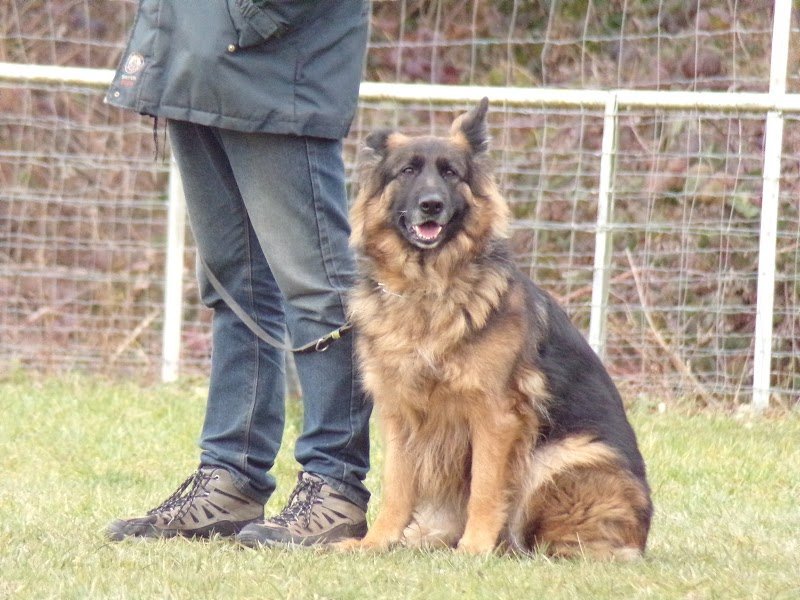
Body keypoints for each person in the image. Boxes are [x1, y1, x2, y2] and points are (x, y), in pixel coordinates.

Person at [103, 0, 372, 547]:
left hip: (274, 66)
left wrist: (258, 17)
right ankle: (230, 479)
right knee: (235, 287)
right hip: (191, 64)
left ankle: (335, 486)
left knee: (316, 289)